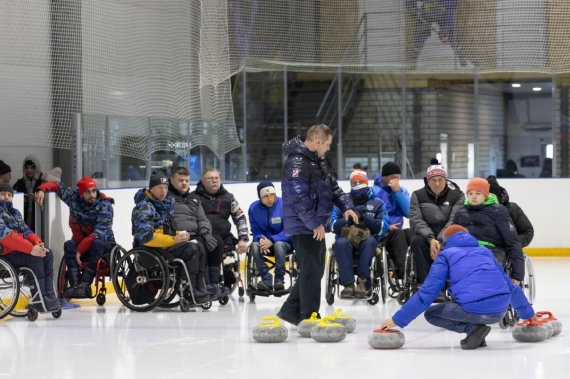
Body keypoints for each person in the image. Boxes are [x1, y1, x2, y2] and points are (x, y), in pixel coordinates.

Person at [380, 225, 536, 350]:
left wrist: (397, 320)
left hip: (473, 309)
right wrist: (528, 314)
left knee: (431, 314)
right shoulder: (485, 252)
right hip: (500, 311)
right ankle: (476, 332)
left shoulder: (446, 256)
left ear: (445, 242)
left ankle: (472, 330)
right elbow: (512, 289)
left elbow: (426, 294)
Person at [277, 124, 358, 325]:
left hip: (314, 226)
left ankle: (290, 311)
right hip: (305, 227)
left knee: (313, 270)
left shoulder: (315, 161)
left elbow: (333, 188)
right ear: (318, 141)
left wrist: (346, 206)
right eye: (328, 144)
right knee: (312, 271)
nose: (329, 149)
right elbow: (298, 197)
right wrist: (314, 224)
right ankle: (309, 316)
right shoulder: (297, 163)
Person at [132, 171, 210, 304]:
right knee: (191, 249)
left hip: (165, 246)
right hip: (150, 251)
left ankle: (199, 288)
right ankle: (188, 290)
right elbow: (147, 238)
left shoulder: (163, 205)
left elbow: (166, 230)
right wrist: (174, 240)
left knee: (199, 245)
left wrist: (179, 234)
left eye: (166, 188)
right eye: (160, 187)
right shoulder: (144, 208)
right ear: (151, 188)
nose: (163, 191)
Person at [35, 176, 116, 298]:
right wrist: (41, 189)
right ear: (81, 193)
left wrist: (80, 250)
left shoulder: (105, 206)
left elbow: (99, 233)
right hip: (81, 242)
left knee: (97, 243)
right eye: (88, 192)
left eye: (94, 191)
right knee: (69, 244)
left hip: (103, 243)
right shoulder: (73, 198)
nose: (92, 195)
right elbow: (56, 185)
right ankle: (75, 285)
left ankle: (85, 285)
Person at [0, 183, 60, 311]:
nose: (6, 197)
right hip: (5, 253)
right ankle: (39, 299)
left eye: (9, 195)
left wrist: (38, 243)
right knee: (35, 258)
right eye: (3, 194)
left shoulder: (15, 213)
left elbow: (26, 231)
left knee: (47, 253)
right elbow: (6, 236)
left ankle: (49, 295)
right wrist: (30, 249)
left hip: (19, 250)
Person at [452, 177, 525, 283]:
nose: (474, 197)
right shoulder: (460, 212)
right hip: (466, 250)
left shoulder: (499, 211)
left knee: (484, 268)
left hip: (492, 251)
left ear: (485, 195)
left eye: (478, 193)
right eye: (470, 193)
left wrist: (517, 275)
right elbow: (453, 237)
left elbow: (512, 241)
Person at [192, 168, 249, 297]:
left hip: (223, 237)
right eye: (210, 178)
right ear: (203, 181)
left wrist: (243, 239)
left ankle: (225, 282)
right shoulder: (193, 198)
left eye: (217, 178)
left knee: (227, 251)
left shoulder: (229, 198)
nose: (214, 181)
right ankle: (206, 285)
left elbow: (240, 218)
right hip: (200, 237)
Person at [331, 169, 387, 299]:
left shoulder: (378, 203)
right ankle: (348, 285)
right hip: (346, 238)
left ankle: (363, 282)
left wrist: (364, 218)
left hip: (368, 239)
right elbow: (332, 225)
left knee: (371, 241)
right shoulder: (341, 203)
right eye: (354, 182)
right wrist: (347, 219)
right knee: (340, 243)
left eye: (360, 181)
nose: (357, 184)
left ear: (366, 183)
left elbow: (382, 228)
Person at [167, 166, 220, 299]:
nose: (184, 183)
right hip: (179, 237)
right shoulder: (166, 199)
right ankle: (201, 285)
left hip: (196, 235)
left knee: (216, 242)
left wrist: (206, 232)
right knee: (199, 245)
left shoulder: (194, 199)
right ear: (172, 180)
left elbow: (202, 219)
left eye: (186, 180)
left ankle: (212, 284)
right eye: (180, 180)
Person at [409, 158, 464, 284]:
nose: (437, 183)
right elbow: (416, 220)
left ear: (446, 180)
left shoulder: (457, 195)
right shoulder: (418, 195)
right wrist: (430, 239)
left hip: (448, 235)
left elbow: (454, 219)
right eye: (433, 180)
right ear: (428, 181)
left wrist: (440, 240)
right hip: (426, 236)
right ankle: (427, 284)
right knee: (416, 241)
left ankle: (450, 281)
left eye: (440, 180)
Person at [248, 181, 294, 292]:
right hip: (265, 245)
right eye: (266, 196)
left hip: (285, 242)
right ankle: (266, 278)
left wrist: (273, 240)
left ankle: (279, 279)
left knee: (279, 244)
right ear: (260, 197)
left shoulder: (285, 204)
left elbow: (290, 228)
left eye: (272, 195)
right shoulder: (253, 209)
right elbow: (255, 230)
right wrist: (261, 239)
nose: (270, 199)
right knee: (254, 245)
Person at [372, 162, 413, 279]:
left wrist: (397, 192)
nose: (395, 180)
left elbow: (409, 213)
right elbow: (372, 215)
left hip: (398, 229)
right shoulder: (374, 192)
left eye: (397, 177)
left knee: (411, 233)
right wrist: (388, 227)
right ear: (384, 176)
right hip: (383, 231)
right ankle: (402, 272)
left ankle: (417, 269)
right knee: (399, 234)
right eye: (392, 177)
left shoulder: (402, 191)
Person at [407, 0, 466, 68]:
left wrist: (445, 31)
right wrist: (413, 8)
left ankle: (460, 55)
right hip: (426, 14)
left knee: (452, 35)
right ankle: (414, 58)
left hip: (443, 16)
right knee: (421, 34)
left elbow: (450, 15)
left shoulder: (451, 2)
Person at [487, 175, 534, 247]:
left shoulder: (512, 209)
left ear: (498, 196)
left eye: (492, 195)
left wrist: (511, 243)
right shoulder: (474, 210)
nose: (490, 198)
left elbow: (527, 231)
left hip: (508, 254)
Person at [13, 155, 45, 232]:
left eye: (32, 167)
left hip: (40, 219)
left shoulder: (43, 182)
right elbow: (12, 196)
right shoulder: (19, 183)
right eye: (27, 168)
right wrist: (21, 199)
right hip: (24, 218)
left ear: (36, 168)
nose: (29, 170)